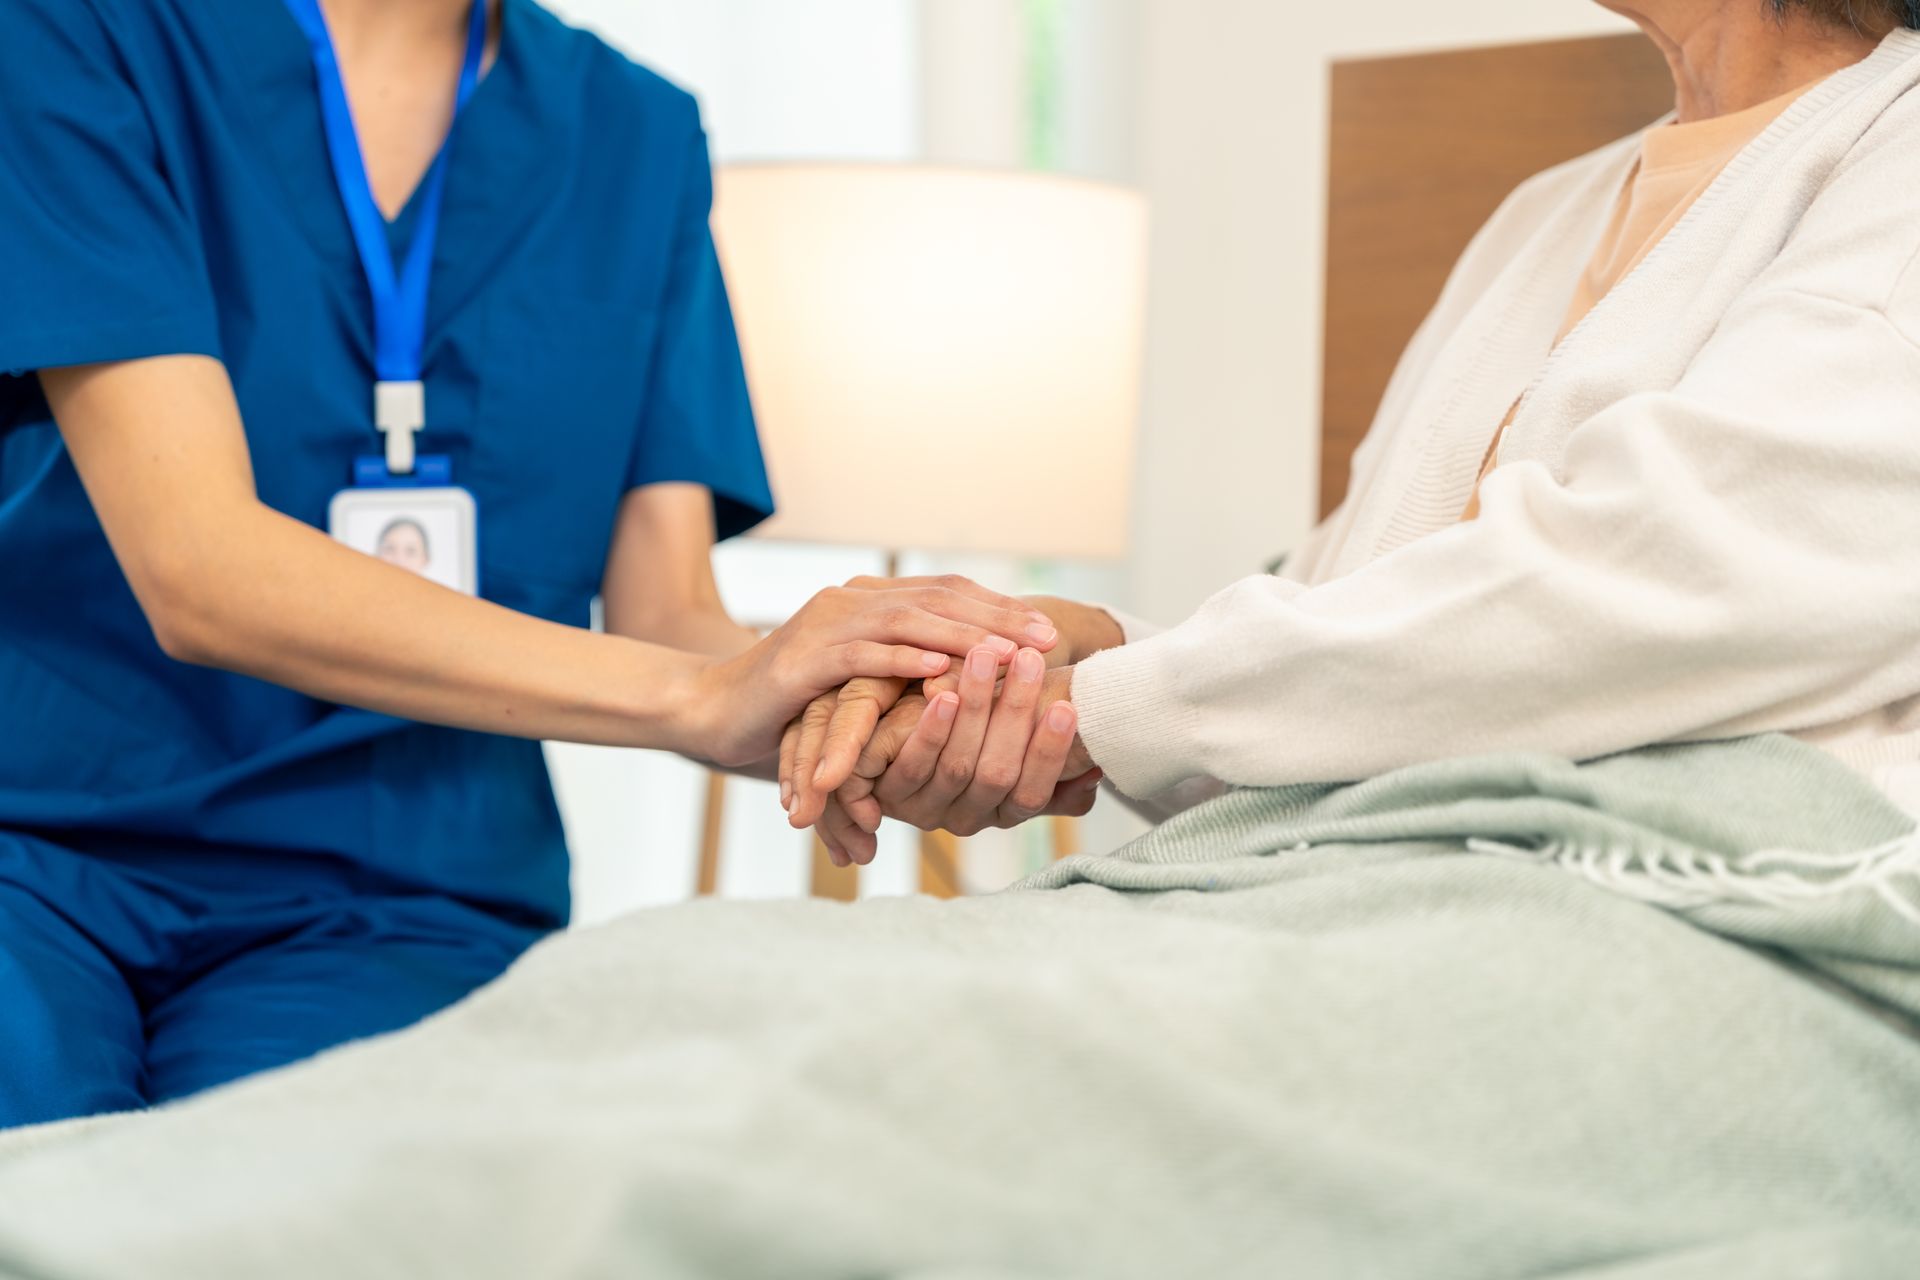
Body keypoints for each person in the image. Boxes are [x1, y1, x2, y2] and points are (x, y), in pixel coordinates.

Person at [0, 0, 1058, 1129]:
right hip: (37, 845)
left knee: (285, 1206)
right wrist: (704, 696)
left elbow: (670, 616)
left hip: (393, 898)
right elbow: (197, 568)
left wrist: (890, 703)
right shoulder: (72, 34)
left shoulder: (633, 133)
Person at [786, 0, 1920, 862]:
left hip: (1690, 902)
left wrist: (1106, 708)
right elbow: (1358, 648)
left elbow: (1659, 585)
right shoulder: (1545, 212)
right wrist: (1078, 651)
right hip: (1367, 888)